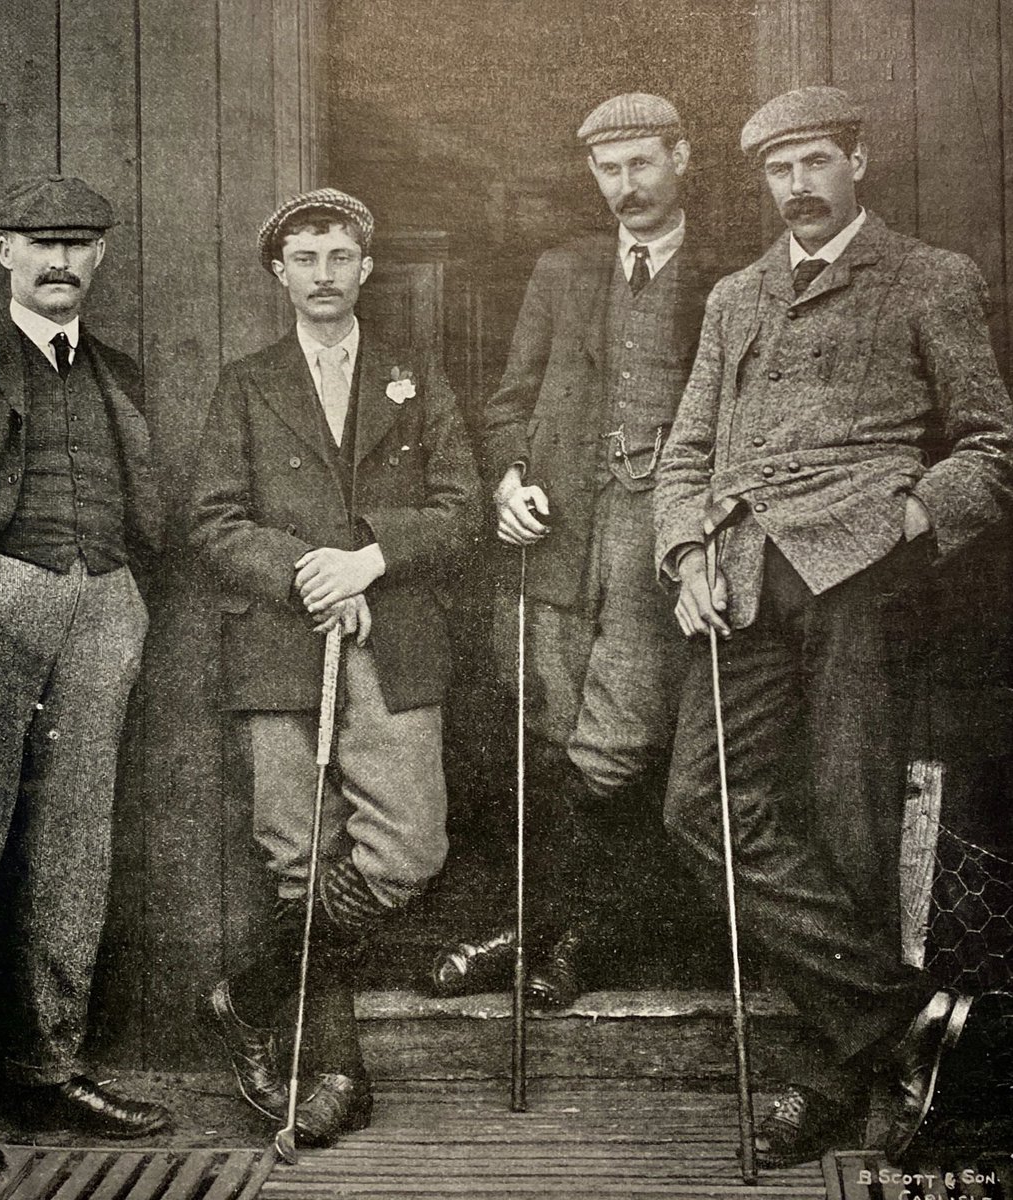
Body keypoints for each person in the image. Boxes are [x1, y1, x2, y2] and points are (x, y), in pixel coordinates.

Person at [655, 86, 1013, 1166]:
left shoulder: (928, 278)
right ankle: (901, 1021)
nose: (796, 188)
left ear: (855, 160)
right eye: (777, 171)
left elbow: (991, 445)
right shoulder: (736, 296)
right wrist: (681, 555)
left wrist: (909, 516)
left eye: (813, 162)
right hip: (742, 579)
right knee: (700, 806)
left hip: (863, 581)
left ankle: (825, 1079)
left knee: (850, 826)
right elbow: (684, 454)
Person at [189, 188, 480, 1149]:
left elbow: (461, 507)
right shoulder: (246, 381)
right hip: (281, 647)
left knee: (405, 849)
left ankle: (254, 990)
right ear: (280, 273)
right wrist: (307, 575)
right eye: (304, 258)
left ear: (366, 267)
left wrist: (370, 558)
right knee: (297, 860)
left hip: (391, 641)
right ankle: (335, 1072)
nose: (323, 275)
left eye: (339, 257)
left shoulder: (413, 373)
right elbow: (213, 519)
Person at [431, 94, 722, 1007]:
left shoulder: (731, 278)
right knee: (543, 732)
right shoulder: (563, 270)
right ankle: (561, 932)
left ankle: (559, 932)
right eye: (608, 168)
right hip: (555, 536)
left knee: (615, 746)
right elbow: (510, 403)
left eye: (642, 163)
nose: (625, 186)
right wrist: (508, 481)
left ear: (682, 158)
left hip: (656, 540)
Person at [0, 175, 169, 1182]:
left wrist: (129, 585)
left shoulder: (119, 370)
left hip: (104, 599)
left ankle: (44, 1066)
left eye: (78, 243)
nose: (59, 259)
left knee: (76, 842)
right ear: (7, 254)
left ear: (100, 257)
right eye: (38, 241)